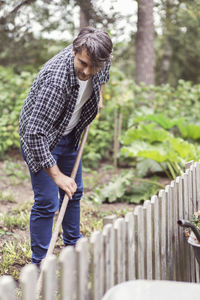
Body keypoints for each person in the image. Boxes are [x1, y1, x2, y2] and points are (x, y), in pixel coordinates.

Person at [19, 26, 113, 266]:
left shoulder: (101, 60)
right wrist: (57, 175)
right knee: (48, 202)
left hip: (70, 134)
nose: (87, 71)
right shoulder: (56, 80)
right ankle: (40, 264)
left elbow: (103, 73)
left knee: (74, 192)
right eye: (82, 63)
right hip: (42, 140)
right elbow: (34, 134)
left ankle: (73, 248)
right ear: (74, 50)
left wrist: (99, 96)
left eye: (94, 67)